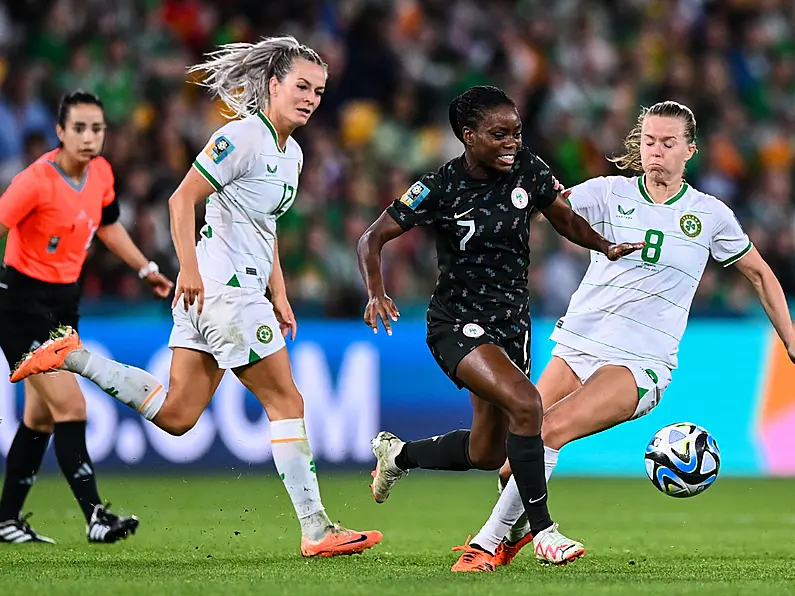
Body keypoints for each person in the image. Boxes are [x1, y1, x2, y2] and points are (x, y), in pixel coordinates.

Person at [10, 36, 383, 558]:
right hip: (222, 289)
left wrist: (279, 292)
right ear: (272, 84)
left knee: (179, 415)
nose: (311, 98)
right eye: (301, 86)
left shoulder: (292, 153)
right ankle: (317, 529)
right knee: (287, 400)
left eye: (319, 91)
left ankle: (71, 356)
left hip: (231, 292)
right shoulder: (242, 137)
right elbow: (181, 198)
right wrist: (188, 268)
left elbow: (264, 226)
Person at [449, 100, 795, 571]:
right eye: (649, 141)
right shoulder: (608, 193)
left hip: (639, 360)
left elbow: (759, 274)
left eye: (668, 143)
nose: (657, 151)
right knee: (513, 458)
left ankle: (486, 545)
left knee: (548, 431)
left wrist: (790, 339)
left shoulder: (708, 215)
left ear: (689, 151)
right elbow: (547, 207)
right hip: (577, 345)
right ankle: (516, 533)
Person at [356, 85, 644, 568]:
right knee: (528, 403)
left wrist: (604, 245)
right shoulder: (439, 187)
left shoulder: (528, 168)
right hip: (457, 324)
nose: (512, 141)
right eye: (499, 134)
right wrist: (376, 292)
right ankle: (545, 530)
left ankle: (398, 455)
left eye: (516, 131)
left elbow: (564, 218)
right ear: (468, 137)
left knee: (488, 451)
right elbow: (373, 237)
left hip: (512, 326)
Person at [0, 90, 173, 544]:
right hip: (21, 303)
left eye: (97, 128)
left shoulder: (100, 175)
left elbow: (109, 224)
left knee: (41, 417)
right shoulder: (35, 181)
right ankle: (95, 516)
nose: (89, 137)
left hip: (63, 305)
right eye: (79, 128)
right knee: (71, 405)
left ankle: (6, 520)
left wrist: (146, 268)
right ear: (60, 132)